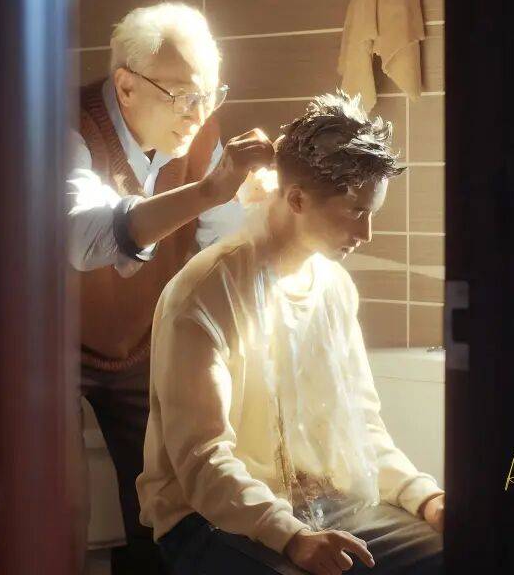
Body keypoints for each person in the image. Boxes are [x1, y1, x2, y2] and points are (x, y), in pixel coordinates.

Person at [136, 92, 446, 574]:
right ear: (297, 199)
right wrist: (291, 536)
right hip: (207, 518)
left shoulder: (334, 288)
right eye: (355, 212)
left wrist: (426, 498)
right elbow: (203, 460)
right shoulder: (203, 296)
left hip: (322, 503)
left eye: (372, 213)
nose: (366, 233)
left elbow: (362, 427)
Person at [66, 2, 275, 572]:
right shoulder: (68, 127)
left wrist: (263, 211)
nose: (198, 115)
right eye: (183, 96)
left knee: (161, 508)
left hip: (139, 343)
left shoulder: (199, 133)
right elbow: (83, 237)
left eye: (209, 96)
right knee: (57, 511)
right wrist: (210, 190)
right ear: (125, 86)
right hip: (43, 343)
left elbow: (221, 245)